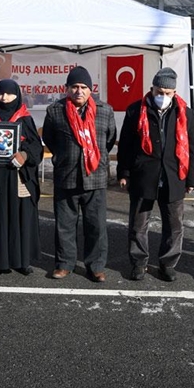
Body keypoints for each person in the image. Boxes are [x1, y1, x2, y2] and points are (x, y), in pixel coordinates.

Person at [117, 67, 194, 282]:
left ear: (174, 92)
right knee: (138, 224)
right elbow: (125, 145)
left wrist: (192, 179)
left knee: (174, 226)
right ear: (152, 89)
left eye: (167, 92)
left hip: (174, 177)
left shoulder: (184, 112)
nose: (162, 96)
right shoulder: (136, 110)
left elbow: (191, 147)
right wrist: (124, 172)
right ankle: (138, 263)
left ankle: (167, 264)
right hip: (143, 176)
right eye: (158, 91)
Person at [42, 66, 117, 283]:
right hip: (67, 175)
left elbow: (109, 139)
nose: (79, 91)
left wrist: (94, 158)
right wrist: (65, 157)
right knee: (65, 225)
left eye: (83, 87)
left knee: (96, 225)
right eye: (74, 87)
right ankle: (65, 264)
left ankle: (95, 266)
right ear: (67, 89)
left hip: (95, 177)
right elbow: (50, 139)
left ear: (90, 89)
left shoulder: (105, 110)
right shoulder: (55, 110)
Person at [0, 79, 43, 275]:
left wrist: (25, 155)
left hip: (18, 177)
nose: (4, 98)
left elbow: (36, 146)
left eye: (9, 94)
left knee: (20, 217)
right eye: (0, 93)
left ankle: (21, 261)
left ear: (17, 95)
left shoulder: (25, 118)